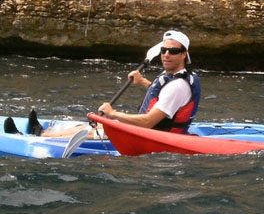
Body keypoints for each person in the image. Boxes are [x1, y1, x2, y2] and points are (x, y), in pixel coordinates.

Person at [4, 30, 201, 137]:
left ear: (184, 54)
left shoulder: (177, 86)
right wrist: (143, 82)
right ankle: (42, 131)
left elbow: (149, 121)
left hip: (154, 135)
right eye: (164, 50)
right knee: (95, 126)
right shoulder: (176, 78)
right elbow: (164, 98)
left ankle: (35, 136)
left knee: (96, 129)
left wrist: (113, 114)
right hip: (156, 129)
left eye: (173, 51)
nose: (166, 54)